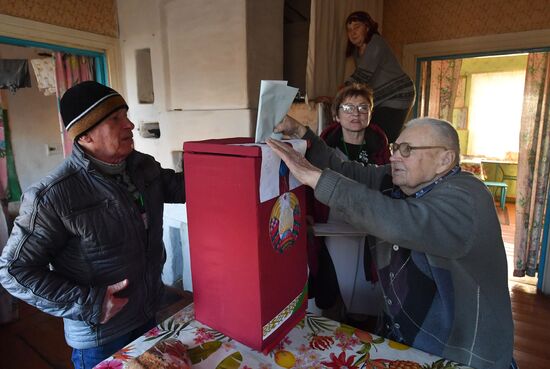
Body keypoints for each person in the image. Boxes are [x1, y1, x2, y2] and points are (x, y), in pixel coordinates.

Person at [266, 117, 514, 369]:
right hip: (405, 341)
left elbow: (401, 222)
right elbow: (345, 170)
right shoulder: (401, 180)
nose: (394, 157)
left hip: (459, 354)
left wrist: (314, 178)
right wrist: (302, 133)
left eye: (407, 150)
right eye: (396, 148)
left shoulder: (468, 198)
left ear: (444, 160)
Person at [0, 81, 185, 369]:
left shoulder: (142, 167)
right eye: (116, 119)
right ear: (85, 135)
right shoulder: (52, 196)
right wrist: (90, 303)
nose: (130, 124)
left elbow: (185, 186)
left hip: (148, 312)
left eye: (125, 114)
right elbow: (13, 270)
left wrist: (251, 157)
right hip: (102, 334)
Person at [310, 83, 389, 331]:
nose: (355, 113)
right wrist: (310, 214)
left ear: (370, 113)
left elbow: (388, 185)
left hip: (370, 221)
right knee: (334, 277)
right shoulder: (323, 147)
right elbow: (310, 183)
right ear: (336, 115)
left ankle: (361, 327)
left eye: (362, 107)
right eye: (348, 107)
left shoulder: (380, 147)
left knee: (366, 284)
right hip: (332, 219)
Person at [344, 11, 415, 143]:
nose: (352, 33)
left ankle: (383, 161)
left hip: (398, 94)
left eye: (357, 27)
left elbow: (361, 76)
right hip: (381, 97)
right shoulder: (357, 52)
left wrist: (338, 96)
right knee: (371, 132)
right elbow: (362, 83)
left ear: (367, 27)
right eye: (349, 30)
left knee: (381, 136)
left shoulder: (376, 43)